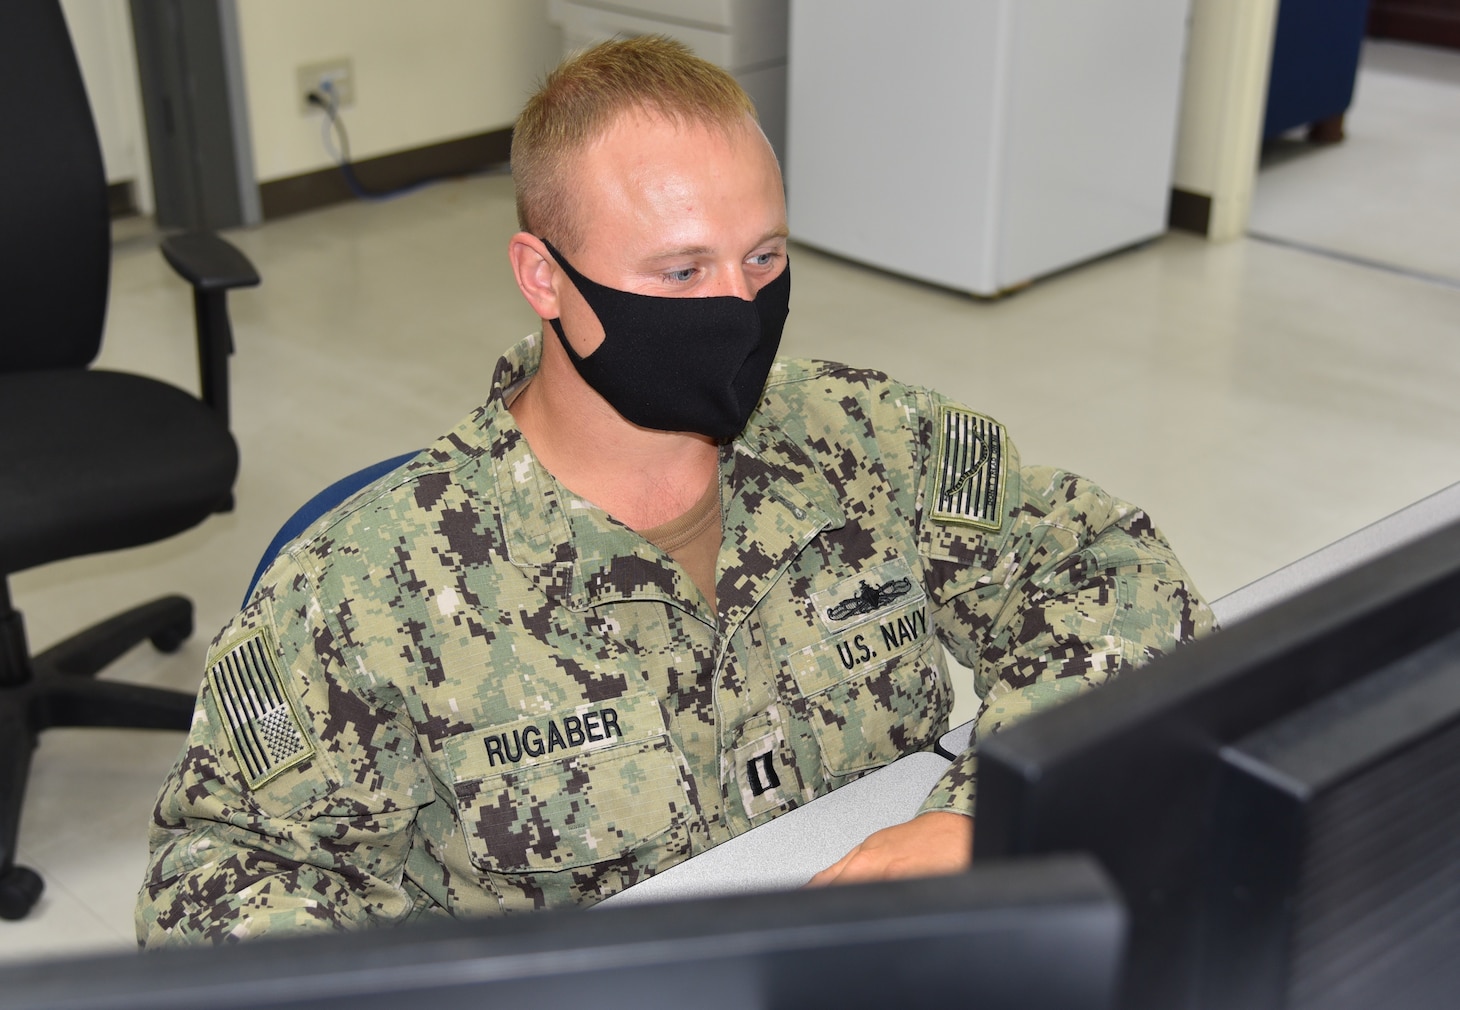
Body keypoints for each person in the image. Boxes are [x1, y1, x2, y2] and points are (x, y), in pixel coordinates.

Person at [136, 36, 1214, 946]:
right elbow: (212, 878)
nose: (739, 310)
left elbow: (1114, 578)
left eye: (762, 256)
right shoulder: (371, 587)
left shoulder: (867, 441)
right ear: (543, 276)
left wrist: (988, 812)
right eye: (681, 272)